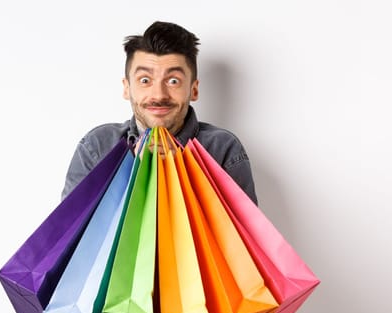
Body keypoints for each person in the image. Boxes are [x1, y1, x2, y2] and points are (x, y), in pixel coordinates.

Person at [62, 21, 257, 204]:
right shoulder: (97, 146)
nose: (158, 95)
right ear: (127, 88)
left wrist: (181, 172)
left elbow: (243, 236)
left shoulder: (222, 149)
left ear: (193, 89)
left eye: (173, 81)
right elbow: (70, 234)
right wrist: (131, 173)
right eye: (145, 80)